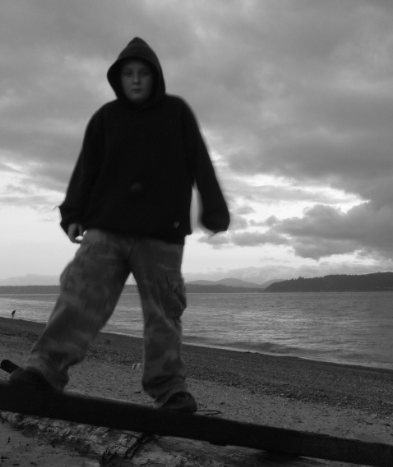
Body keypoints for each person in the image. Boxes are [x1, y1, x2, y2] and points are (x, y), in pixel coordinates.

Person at [10, 37, 230, 412]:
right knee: (79, 296)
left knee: (163, 312)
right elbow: (87, 169)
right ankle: (44, 372)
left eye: (143, 73)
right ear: (118, 78)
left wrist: (214, 210)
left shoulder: (176, 112)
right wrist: (73, 213)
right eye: (129, 74)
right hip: (106, 228)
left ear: (155, 76)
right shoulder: (105, 118)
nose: (136, 80)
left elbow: (200, 160)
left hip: (162, 233)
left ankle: (170, 389)